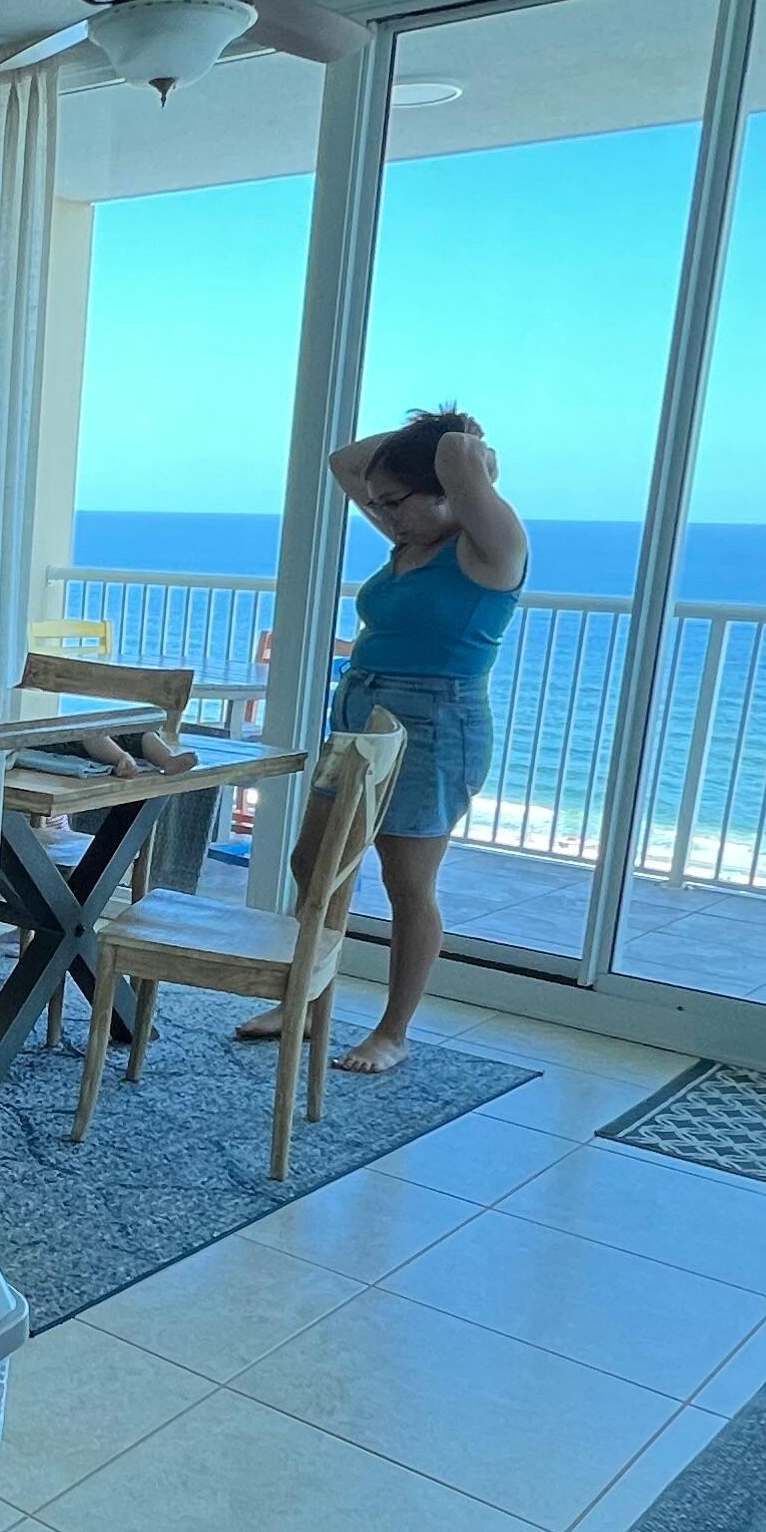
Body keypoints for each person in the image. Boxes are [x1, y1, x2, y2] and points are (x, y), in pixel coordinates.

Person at [238, 407, 528, 1075]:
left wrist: (466, 442)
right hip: (363, 713)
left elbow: (454, 454)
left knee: (407, 883)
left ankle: (393, 1031)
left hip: (437, 724)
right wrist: (416, 453)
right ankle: (306, 1002)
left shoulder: (492, 548)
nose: (387, 515)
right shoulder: (411, 539)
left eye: (397, 502)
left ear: (447, 491)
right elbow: (347, 462)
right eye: (381, 505)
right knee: (315, 863)